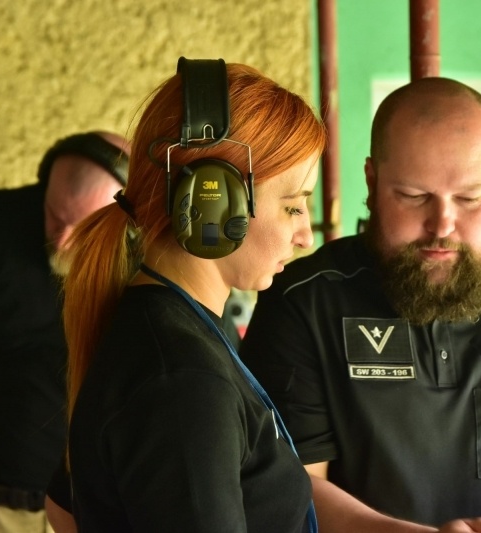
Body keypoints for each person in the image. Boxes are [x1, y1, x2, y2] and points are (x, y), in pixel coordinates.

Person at [239, 77, 481, 533]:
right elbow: (291, 491)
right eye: (414, 196)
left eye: (469, 198)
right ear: (372, 181)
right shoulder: (305, 304)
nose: (442, 224)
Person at [45, 59, 327, 533]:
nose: (306, 237)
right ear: (212, 201)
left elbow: (62, 507)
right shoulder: (183, 380)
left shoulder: (169, 331)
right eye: (293, 206)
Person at [0, 131, 131, 533]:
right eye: (54, 216)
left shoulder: (154, 260)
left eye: (83, 229)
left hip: (100, 514)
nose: (62, 240)